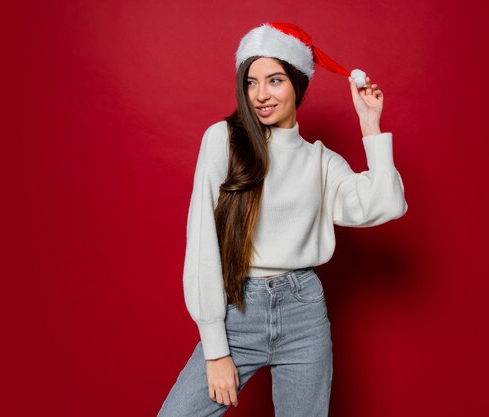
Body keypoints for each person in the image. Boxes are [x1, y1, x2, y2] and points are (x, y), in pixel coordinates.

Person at [158, 22, 408, 417]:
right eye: (251, 82)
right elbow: (204, 241)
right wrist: (215, 348)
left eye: (274, 80)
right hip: (238, 310)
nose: (260, 95)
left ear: (297, 83)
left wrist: (370, 125)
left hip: (303, 313)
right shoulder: (223, 140)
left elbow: (384, 205)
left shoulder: (321, 162)